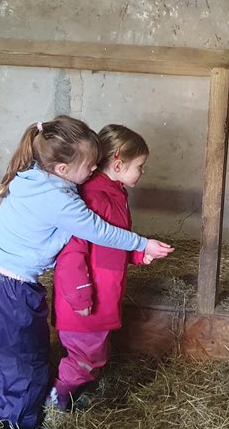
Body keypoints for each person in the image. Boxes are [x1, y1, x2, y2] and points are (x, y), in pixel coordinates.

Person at [0, 116, 172, 429]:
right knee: (19, 358)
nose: (95, 170)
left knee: (27, 350)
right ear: (64, 169)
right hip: (9, 284)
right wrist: (141, 244)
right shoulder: (62, 200)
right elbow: (98, 232)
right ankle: (17, 428)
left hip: (3, 275)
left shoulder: (38, 174)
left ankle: (27, 407)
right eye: (90, 165)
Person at [50, 124, 153, 411]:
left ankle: (73, 390)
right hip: (86, 300)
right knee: (85, 357)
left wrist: (135, 255)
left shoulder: (114, 193)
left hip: (104, 294)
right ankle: (57, 399)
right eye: (140, 166)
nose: (142, 172)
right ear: (118, 163)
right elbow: (72, 253)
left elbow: (111, 243)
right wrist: (81, 296)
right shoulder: (93, 199)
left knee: (92, 353)